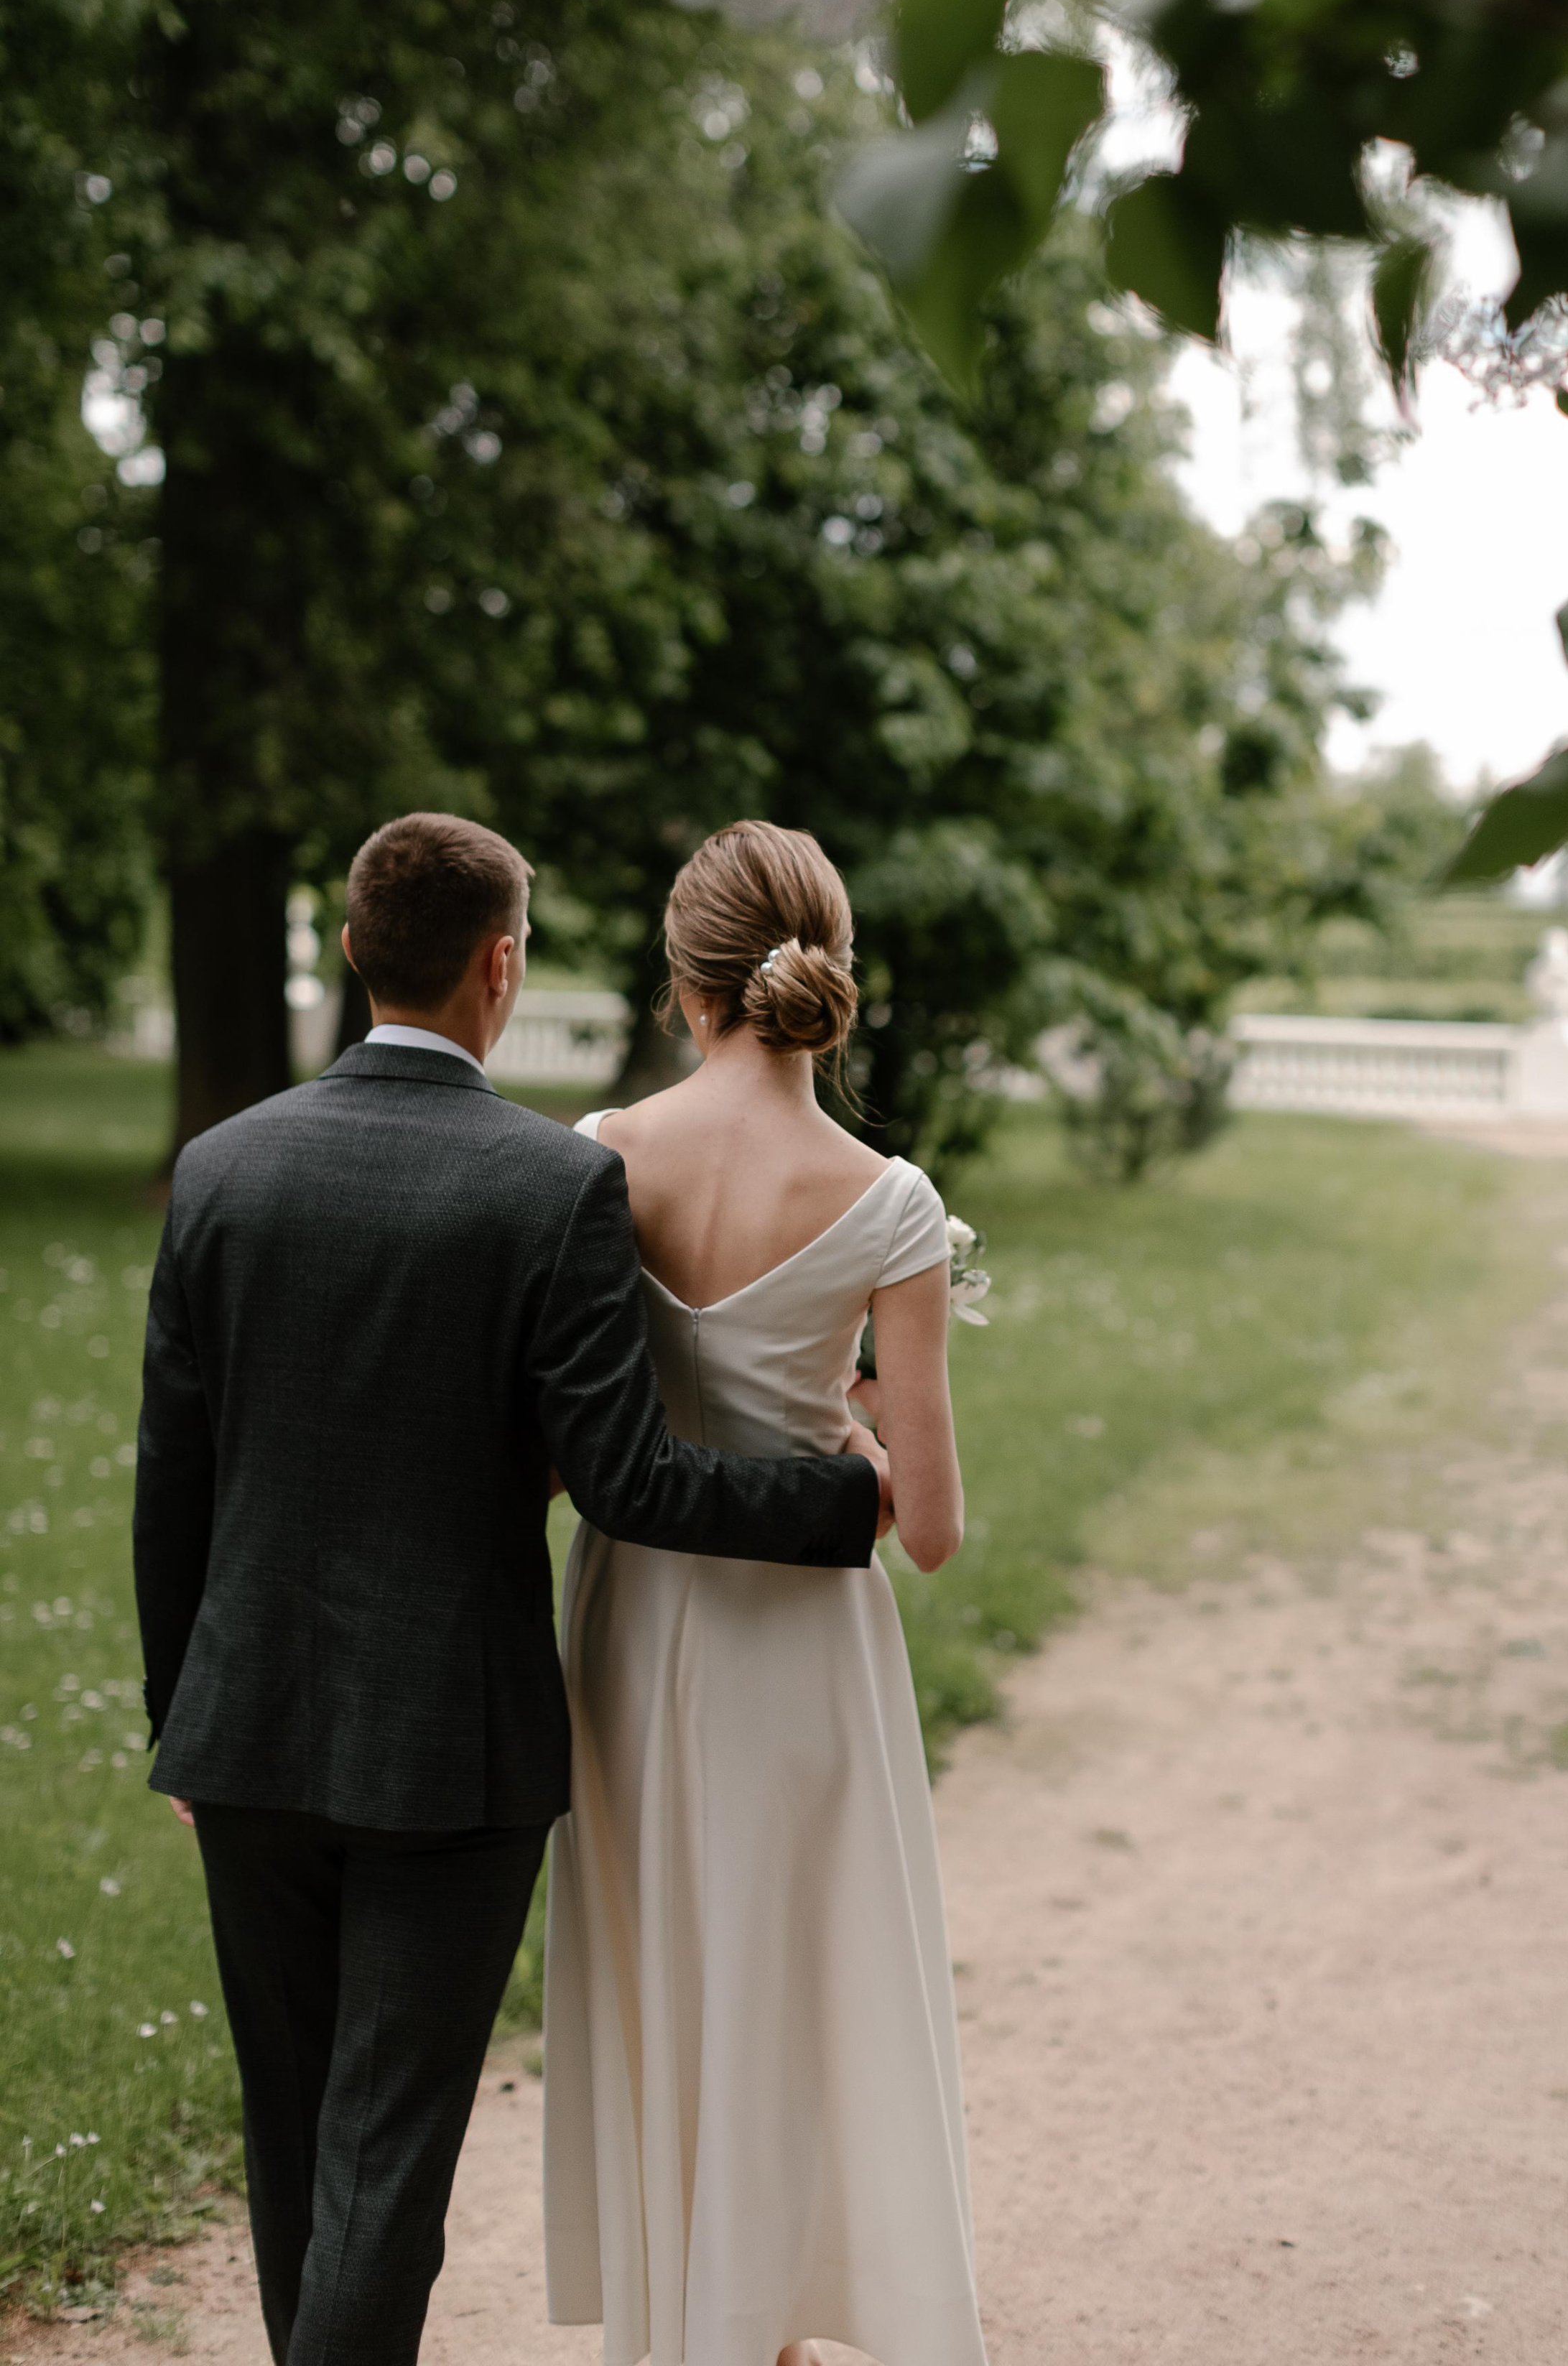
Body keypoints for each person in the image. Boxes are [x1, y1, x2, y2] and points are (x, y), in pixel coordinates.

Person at [133, 812, 891, 2366]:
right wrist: (841, 1496)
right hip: (448, 1756)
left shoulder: (221, 1171)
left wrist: (180, 1723)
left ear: (353, 955)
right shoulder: (548, 1190)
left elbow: (174, 1489)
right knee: (383, 2167)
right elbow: (627, 1481)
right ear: (502, 963)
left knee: (298, 2155)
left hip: (245, 1731)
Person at [543, 819, 987, 2366]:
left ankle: (683, 2318)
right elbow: (924, 1529)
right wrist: (853, 1426)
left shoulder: (599, 1154)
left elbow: (564, 1434)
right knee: (793, 1973)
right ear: (829, 973)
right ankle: (771, 2323)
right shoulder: (890, 1199)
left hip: (630, 1622)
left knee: (665, 1958)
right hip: (801, 1640)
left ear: (685, 985)